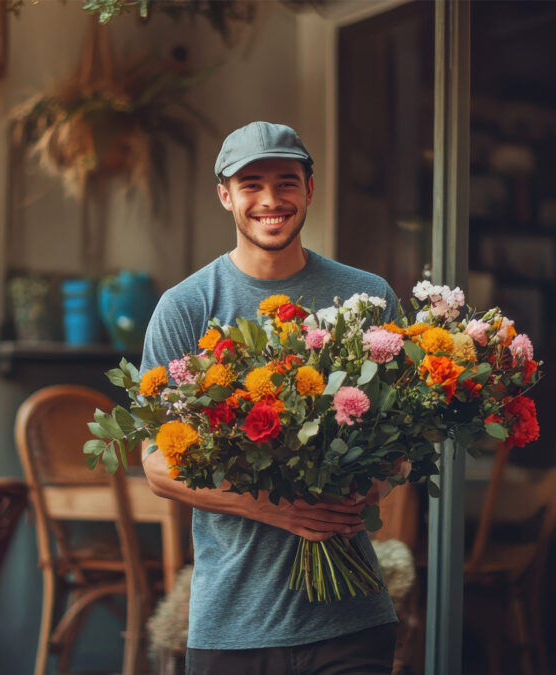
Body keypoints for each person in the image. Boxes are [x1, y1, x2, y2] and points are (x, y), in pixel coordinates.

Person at [141, 121, 400, 675]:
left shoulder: (369, 298)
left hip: (352, 622)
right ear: (225, 195)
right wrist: (274, 507)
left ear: (309, 189)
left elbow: (399, 445)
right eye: (251, 184)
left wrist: (369, 477)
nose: (269, 200)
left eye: (286, 182)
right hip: (235, 626)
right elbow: (158, 465)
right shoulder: (186, 306)